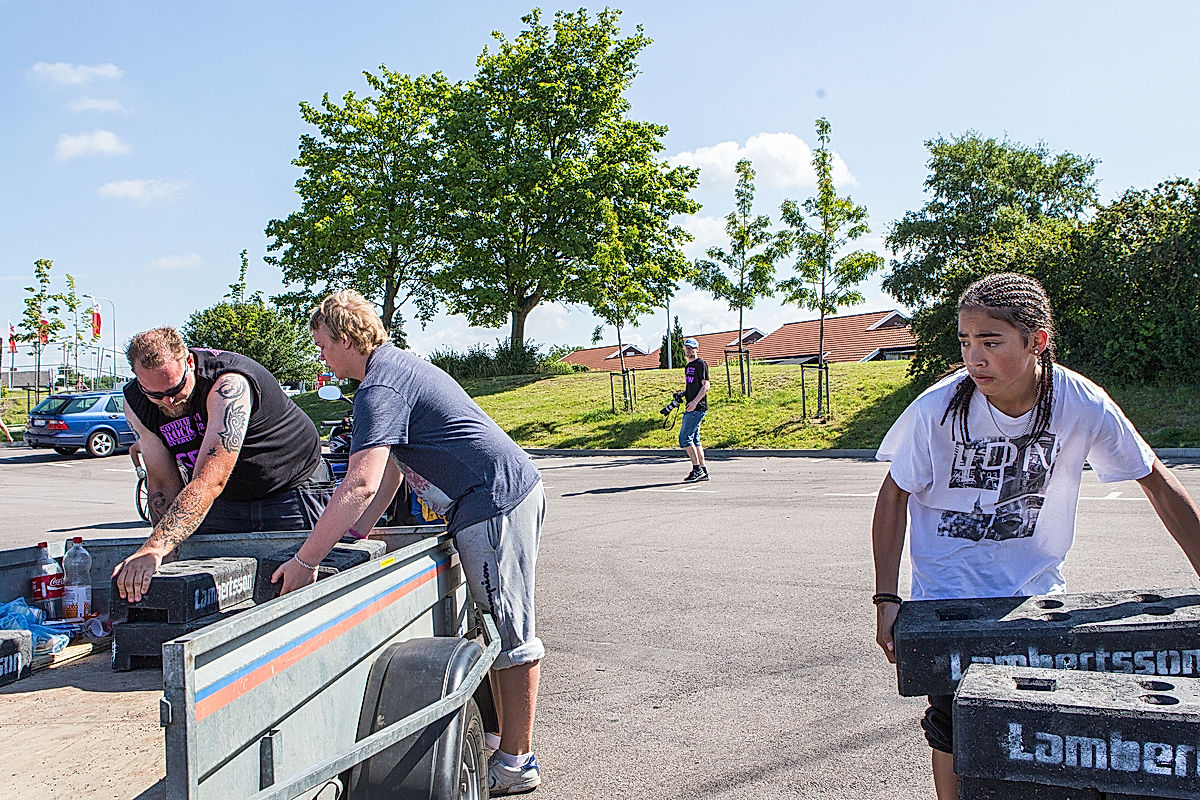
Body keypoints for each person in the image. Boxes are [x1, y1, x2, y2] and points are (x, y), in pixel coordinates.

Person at [871, 272, 1200, 800]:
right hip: (949, 600)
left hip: (1035, 596)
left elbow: (1158, 483)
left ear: (1037, 341)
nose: (974, 358)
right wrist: (887, 596)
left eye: (991, 342)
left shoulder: (1080, 402)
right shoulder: (938, 409)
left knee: (1032, 734)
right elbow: (894, 496)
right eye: (965, 342)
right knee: (955, 728)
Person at [272, 291, 546, 796]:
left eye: (323, 347)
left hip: (491, 501)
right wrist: (354, 537)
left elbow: (358, 482)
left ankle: (516, 763)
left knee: (512, 632)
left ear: (346, 338)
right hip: (491, 498)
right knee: (498, 626)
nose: (322, 358)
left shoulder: (380, 388)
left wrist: (307, 559)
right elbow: (393, 474)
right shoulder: (394, 370)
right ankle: (501, 744)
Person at [112, 327, 333, 602]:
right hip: (225, 500)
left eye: (176, 388)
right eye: (155, 394)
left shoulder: (228, 384)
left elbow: (209, 480)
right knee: (218, 596)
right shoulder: (136, 403)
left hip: (291, 487)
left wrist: (155, 546)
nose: (168, 401)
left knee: (299, 593)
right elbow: (162, 482)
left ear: (189, 362)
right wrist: (162, 554)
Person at [680, 336, 710, 482]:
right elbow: (693, 386)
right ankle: (703, 470)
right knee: (695, 440)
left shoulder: (700, 364)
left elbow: (705, 386)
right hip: (691, 405)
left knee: (685, 438)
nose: (689, 350)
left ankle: (696, 469)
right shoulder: (688, 366)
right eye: (687, 348)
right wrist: (683, 394)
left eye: (692, 348)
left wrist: (694, 402)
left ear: (697, 349)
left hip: (697, 408)